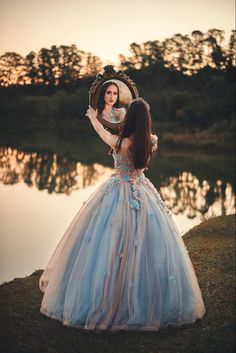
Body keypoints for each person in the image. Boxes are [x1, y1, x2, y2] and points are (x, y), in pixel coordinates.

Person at [39, 98, 206, 332]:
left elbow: (102, 134)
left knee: (110, 241)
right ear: (146, 121)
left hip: (119, 190)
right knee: (147, 243)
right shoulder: (151, 141)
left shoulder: (122, 143)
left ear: (130, 120)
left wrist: (93, 117)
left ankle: (111, 298)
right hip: (142, 190)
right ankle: (148, 300)